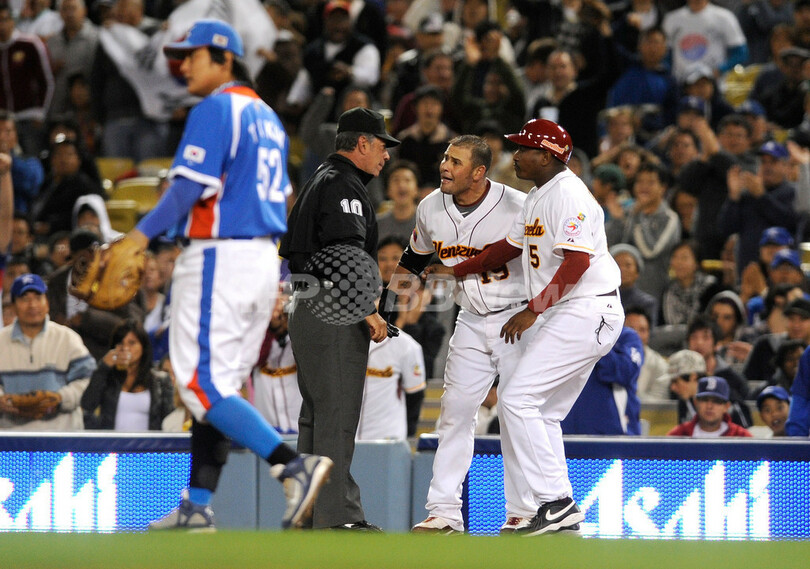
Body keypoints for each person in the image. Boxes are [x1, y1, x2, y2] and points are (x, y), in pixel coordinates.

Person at [111, 19, 332, 532]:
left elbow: (188, 189)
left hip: (219, 257)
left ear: (225, 58)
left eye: (193, 55)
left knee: (197, 381)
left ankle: (291, 465)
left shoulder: (217, 107)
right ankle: (198, 503)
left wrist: (136, 238)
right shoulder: (269, 117)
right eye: (179, 56)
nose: (182, 65)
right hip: (259, 260)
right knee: (222, 388)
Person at [428, 119, 624, 535]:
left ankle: (556, 502)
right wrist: (456, 271)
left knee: (516, 398)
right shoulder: (539, 195)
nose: (515, 154)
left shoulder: (569, 194)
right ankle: (556, 510)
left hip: (586, 309)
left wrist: (533, 310)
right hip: (572, 312)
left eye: (524, 148)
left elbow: (576, 263)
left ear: (549, 155)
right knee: (544, 413)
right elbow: (506, 248)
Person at [381, 135, 528, 534]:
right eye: (445, 157)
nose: (445, 166)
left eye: (456, 161)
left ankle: (524, 511)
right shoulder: (430, 205)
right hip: (470, 318)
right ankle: (444, 511)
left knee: (517, 415)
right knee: (455, 413)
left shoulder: (517, 206)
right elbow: (414, 256)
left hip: (518, 319)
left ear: (480, 172)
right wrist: (386, 308)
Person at [279, 106, 399, 531]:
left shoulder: (319, 180)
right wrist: (368, 310)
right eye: (383, 146)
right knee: (336, 415)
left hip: (307, 308)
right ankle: (337, 517)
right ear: (362, 144)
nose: (386, 156)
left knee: (315, 416)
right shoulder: (343, 184)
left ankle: (309, 512)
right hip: (333, 313)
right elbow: (343, 254)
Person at [0, 274, 96, 430]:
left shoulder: (67, 338)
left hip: (61, 438)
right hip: (12, 442)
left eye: (38, 297)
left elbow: (89, 380)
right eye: (24, 299)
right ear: (13, 306)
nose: (32, 305)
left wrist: (61, 398)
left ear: (47, 303)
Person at [80, 319, 174, 430]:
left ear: (143, 347)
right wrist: (103, 367)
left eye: (132, 343)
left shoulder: (160, 381)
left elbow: (169, 420)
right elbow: (87, 405)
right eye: (120, 343)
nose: (125, 348)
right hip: (113, 445)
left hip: (149, 446)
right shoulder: (108, 377)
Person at [562, 326, 643, 435]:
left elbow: (627, 371)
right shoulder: (564, 334)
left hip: (612, 433)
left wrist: (594, 341)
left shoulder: (626, 336)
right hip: (565, 430)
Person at [356, 328, 426, 441]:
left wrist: (407, 433)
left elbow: (415, 395)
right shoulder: (340, 340)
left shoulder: (405, 345)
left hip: (386, 433)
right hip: (346, 435)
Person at [250, 294, 301, 434]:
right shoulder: (258, 339)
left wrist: (294, 320)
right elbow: (255, 359)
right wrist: (270, 326)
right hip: (268, 430)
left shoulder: (299, 340)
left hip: (300, 429)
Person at [667, 375, 753, 437]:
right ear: (696, 403)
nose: (709, 406)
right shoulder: (679, 434)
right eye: (704, 400)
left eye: (717, 401)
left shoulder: (740, 436)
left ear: (726, 407)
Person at [624, 306, 669, 401]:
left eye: (642, 330)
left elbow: (658, 403)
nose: (636, 335)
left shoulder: (660, 365)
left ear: (649, 334)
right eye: (631, 329)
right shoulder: (604, 359)